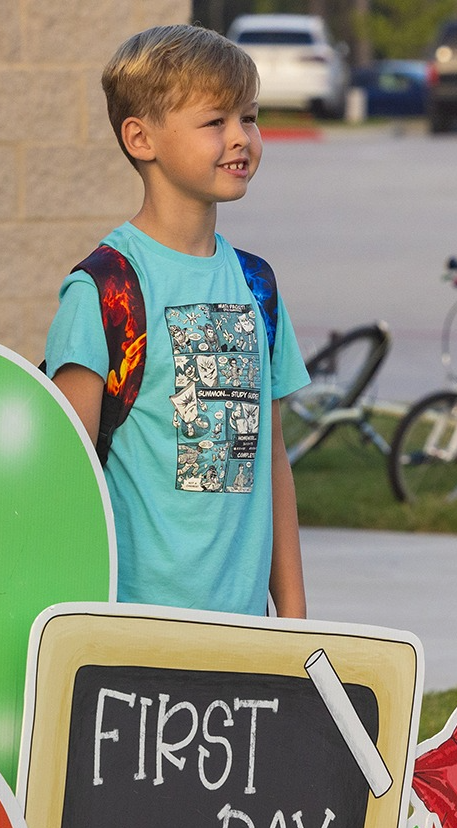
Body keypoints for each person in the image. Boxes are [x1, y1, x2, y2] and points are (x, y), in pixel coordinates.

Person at [44, 24, 310, 618]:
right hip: (130, 632)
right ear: (141, 138)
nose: (241, 138)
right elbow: (61, 479)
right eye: (215, 122)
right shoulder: (106, 290)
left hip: (242, 630)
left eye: (251, 118)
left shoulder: (256, 285)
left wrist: (292, 615)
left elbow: (271, 460)